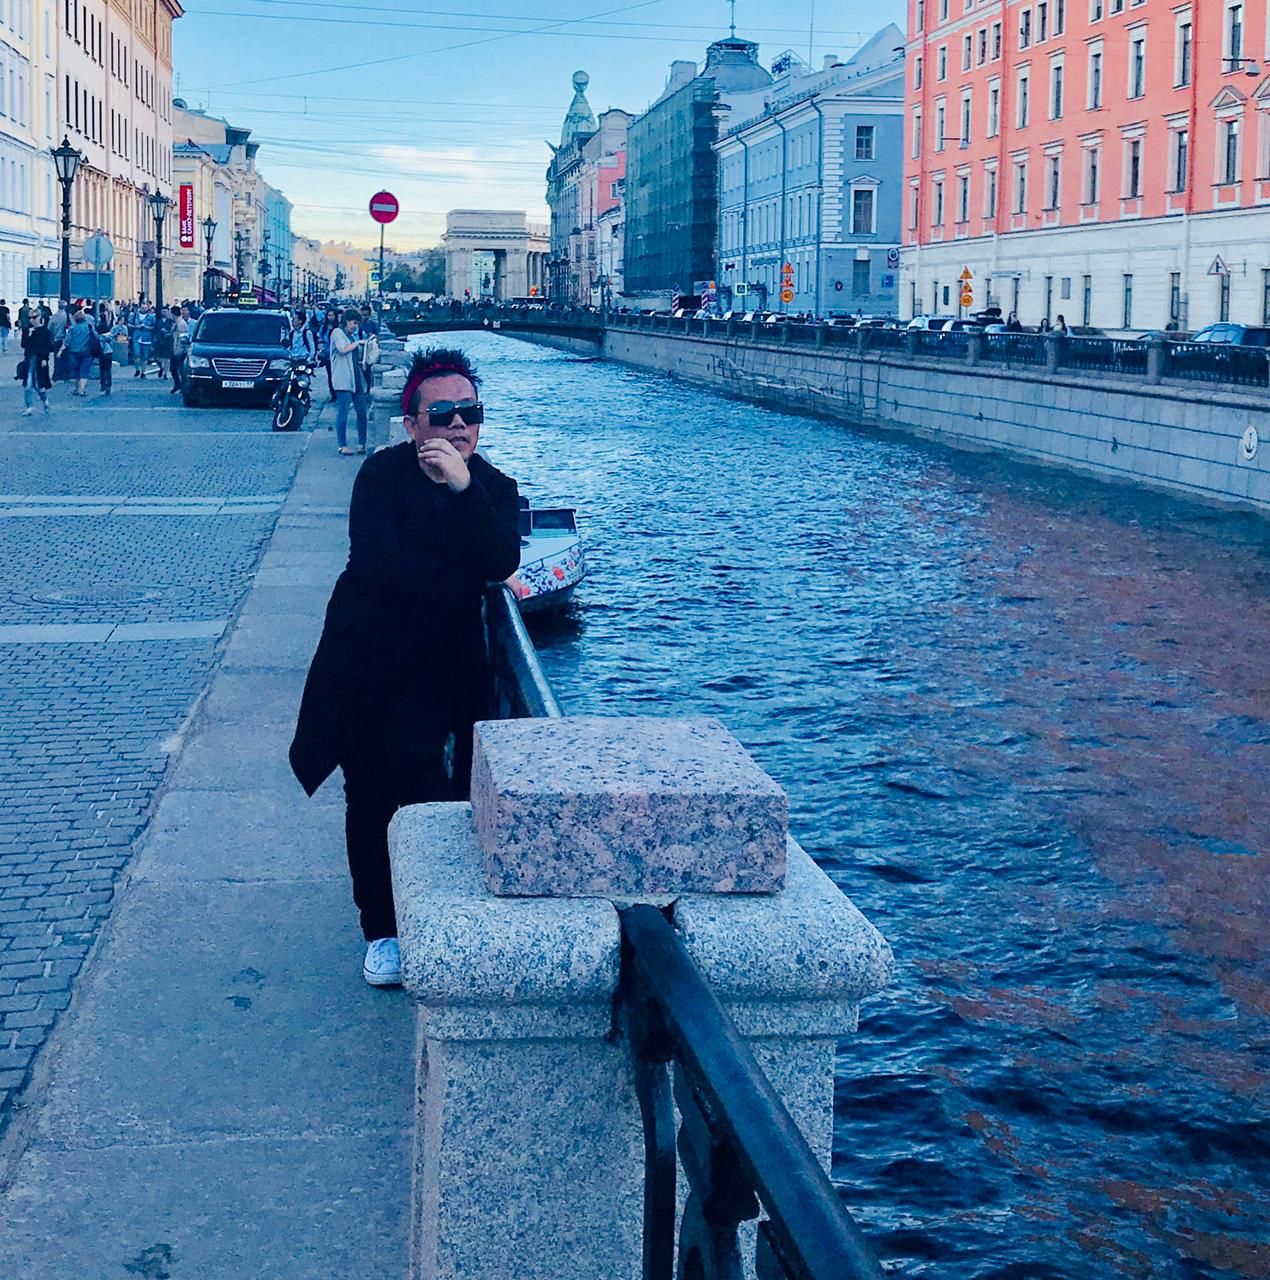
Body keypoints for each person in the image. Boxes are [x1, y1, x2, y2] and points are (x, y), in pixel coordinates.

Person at [289, 346, 521, 986]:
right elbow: (378, 565)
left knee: (438, 789)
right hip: (366, 660)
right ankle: (383, 929)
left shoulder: (495, 488)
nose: (458, 424)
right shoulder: (381, 476)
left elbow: (500, 558)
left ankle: (435, 915)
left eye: (469, 412)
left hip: (445, 668)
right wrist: (461, 579)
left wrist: (464, 489)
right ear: (413, 423)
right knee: (369, 793)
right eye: (441, 413)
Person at [329, 308, 369, 455]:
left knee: (362, 412)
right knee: (343, 412)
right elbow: (342, 349)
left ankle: (361, 443)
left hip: (356, 379)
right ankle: (342, 445)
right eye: (354, 323)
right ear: (346, 321)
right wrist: (358, 343)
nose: (355, 326)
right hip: (343, 379)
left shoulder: (351, 337)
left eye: (357, 324)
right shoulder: (337, 333)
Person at [18, 311, 53, 415]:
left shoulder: (45, 331)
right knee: (28, 386)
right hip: (29, 360)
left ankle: (45, 401)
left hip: (39, 361)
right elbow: (23, 345)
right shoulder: (27, 330)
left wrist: (45, 359)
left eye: (34, 317)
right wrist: (29, 335)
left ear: (39, 317)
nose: (31, 320)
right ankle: (29, 407)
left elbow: (47, 347)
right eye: (30, 318)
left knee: (39, 386)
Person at [61, 309, 97, 396]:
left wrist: (61, 350)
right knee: (84, 371)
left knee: (75, 371)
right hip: (87, 352)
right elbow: (95, 336)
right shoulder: (88, 327)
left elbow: (67, 341)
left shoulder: (72, 328)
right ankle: (82, 389)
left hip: (74, 352)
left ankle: (75, 388)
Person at [168, 304, 190, 393]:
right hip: (175, 349)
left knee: (180, 370)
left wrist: (179, 350)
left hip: (180, 351)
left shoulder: (181, 324)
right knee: (174, 369)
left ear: (173, 314)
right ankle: (178, 385)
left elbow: (183, 339)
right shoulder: (176, 323)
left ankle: (182, 386)